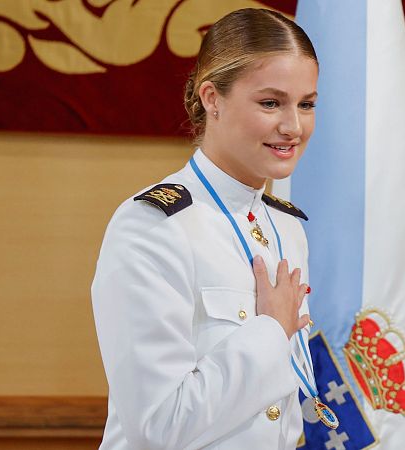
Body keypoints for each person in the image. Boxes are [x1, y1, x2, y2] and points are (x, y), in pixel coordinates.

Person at [91, 8, 323, 449]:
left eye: (306, 104)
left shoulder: (286, 227)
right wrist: (270, 333)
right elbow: (160, 426)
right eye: (271, 102)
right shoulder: (151, 227)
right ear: (212, 98)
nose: (293, 126)